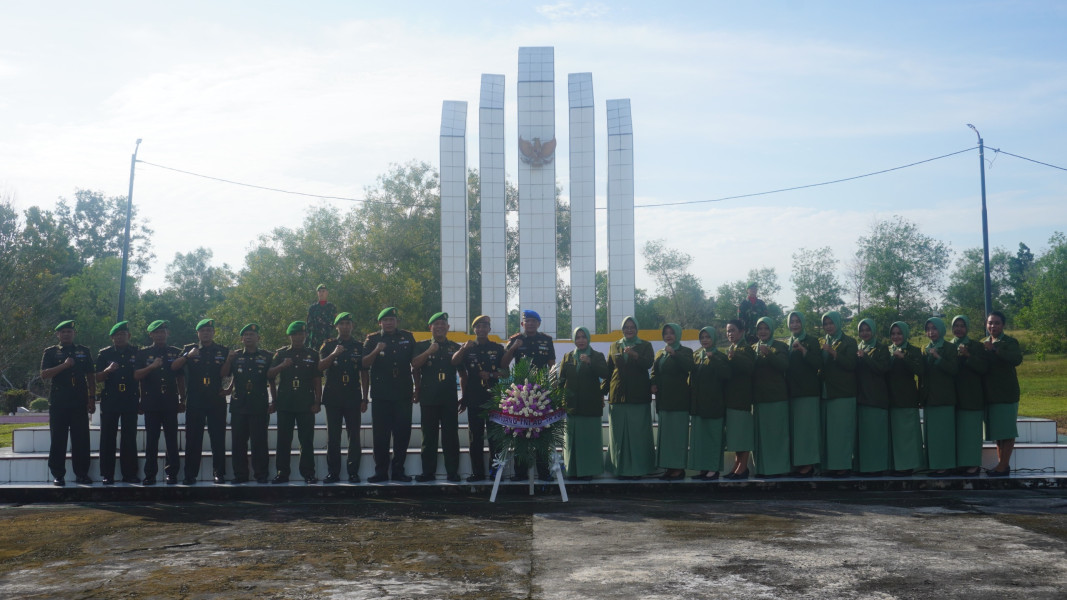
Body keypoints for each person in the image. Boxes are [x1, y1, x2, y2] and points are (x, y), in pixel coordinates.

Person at [363, 307, 417, 483]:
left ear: (397, 322)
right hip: (381, 394)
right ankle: (381, 472)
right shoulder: (372, 339)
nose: (388, 323)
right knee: (380, 436)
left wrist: (418, 388)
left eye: (391, 319)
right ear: (380, 323)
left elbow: (415, 363)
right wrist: (376, 350)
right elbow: (364, 364)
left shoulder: (407, 337)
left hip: (403, 392)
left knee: (402, 434)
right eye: (385, 320)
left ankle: (398, 471)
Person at [172, 319, 229, 485]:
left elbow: (227, 374)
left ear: (214, 333)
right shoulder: (189, 349)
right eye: (203, 330)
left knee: (218, 438)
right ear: (198, 333)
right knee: (193, 439)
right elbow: (175, 368)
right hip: (195, 399)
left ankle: (219, 473)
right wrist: (187, 356)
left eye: (209, 330)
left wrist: (229, 388)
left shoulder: (222, 350)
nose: (206, 333)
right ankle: (190, 474)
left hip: (216, 399)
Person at [502, 309, 556, 481]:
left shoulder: (546, 340)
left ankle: (544, 471)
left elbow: (552, 365)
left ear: (538, 324)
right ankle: (520, 472)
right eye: (527, 321)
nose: (530, 324)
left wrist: (553, 387)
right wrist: (513, 348)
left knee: (542, 432)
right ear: (522, 324)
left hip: (541, 392)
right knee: (520, 431)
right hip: (521, 394)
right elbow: (503, 364)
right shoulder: (515, 340)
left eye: (534, 321)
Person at [40, 320, 95, 486]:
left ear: (74, 333)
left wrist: (92, 398)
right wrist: (63, 366)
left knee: (81, 440)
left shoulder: (83, 351)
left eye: (69, 332)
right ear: (58, 334)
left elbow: (91, 376)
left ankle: (82, 474)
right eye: (63, 332)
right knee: (58, 439)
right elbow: (44, 374)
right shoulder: (50, 352)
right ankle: (58, 474)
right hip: (59, 402)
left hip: (79, 401)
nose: (66, 334)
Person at [411, 312, 464, 482]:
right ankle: (428, 472)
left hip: (448, 397)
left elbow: (463, 373)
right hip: (428, 397)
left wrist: (465, 395)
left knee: (451, 436)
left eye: (443, 324)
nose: (440, 327)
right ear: (430, 328)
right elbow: (415, 365)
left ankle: (452, 471)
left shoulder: (455, 347)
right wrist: (429, 351)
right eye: (436, 324)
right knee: (428, 436)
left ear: (448, 328)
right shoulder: (422, 346)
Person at [268, 321, 322, 484]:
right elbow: (269, 375)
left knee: (306, 440)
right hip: (286, 402)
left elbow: (317, 379)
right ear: (290, 336)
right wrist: (282, 366)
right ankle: (282, 473)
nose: (299, 337)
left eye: (302, 334)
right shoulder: (281, 354)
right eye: (296, 334)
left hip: (306, 402)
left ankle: (308, 473)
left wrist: (317, 401)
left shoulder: (312, 354)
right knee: (283, 439)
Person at [454, 315, 506, 481]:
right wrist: (463, 348)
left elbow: (506, 373)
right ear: (474, 329)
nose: (481, 329)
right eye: (478, 327)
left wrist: (490, 374)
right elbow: (455, 363)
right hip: (474, 397)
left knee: (494, 437)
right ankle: (477, 472)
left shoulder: (497, 348)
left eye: (485, 326)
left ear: (489, 329)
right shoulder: (468, 348)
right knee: (474, 437)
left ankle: (495, 473)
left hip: (493, 397)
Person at [318, 312, 369, 484]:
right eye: (342, 324)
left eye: (348, 323)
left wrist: (365, 397)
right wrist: (333, 354)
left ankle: (353, 472)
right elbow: (320, 367)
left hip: (353, 397)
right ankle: (333, 473)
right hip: (333, 397)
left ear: (352, 326)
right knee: (333, 437)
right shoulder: (328, 345)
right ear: (336, 326)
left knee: (353, 437)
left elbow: (364, 373)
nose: (345, 326)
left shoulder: (359, 346)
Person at [604, 316, 655, 479]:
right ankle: (619, 469)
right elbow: (608, 371)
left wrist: (634, 355)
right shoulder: (614, 345)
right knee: (618, 436)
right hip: (618, 397)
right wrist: (601, 392)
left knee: (638, 435)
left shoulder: (645, 345)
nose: (629, 329)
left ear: (637, 328)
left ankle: (639, 469)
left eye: (632, 327)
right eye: (626, 327)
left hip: (638, 396)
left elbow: (648, 364)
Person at [134, 320, 185, 485]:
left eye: (163, 332)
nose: (160, 335)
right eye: (156, 332)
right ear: (151, 335)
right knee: (152, 440)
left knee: (171, 439)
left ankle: (172, 473)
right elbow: (137, 376)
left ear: (167, 333)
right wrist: (152, 367)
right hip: (151, 402)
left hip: (170, 400)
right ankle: (150, 474)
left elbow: (180, 378)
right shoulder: (143, 354)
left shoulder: (175, 352)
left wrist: (182, 399)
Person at [222, 323, 274, 484]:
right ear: (241, 339)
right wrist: (228, 360)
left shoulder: (267, 356)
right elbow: (224, 374)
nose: (249, 337)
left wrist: (274, 401)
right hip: (239, 405)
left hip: (259, 404)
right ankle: (241, 475)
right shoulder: (235, 356)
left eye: (252, 335)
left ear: (258, 338)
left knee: (259, 441)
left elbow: (272, 380)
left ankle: (261, 474)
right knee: (238, 442)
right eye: (246, 335)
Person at [557, 326, 609, 480]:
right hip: (572, 405)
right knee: (572, 441)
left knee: (589, 440)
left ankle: (588, 471)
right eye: (577, 337)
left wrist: (590, 362)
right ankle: (572, 471)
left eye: (583, 337)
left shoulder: (597, 356)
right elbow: (561, 381)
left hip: (590, 405)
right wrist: (559, 399)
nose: (580, 340)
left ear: (588, 338)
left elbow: (605, 374)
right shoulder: (568, 357)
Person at [95, 321, 140, 484]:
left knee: (129, 437)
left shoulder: (136, 352)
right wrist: (107, 370)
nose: (120, 337)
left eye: (123, 334)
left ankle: (130, 473)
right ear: (112, 338)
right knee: (108, 438)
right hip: (111, 399)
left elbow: (141, 376)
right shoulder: (105, 354)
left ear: (128, 336)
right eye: (116, 335)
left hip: (130, 398)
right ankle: (107, 474)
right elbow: (97, 377)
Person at [651, 323, 694, 480]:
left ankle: (678, 469)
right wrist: (653, 383)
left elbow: (690, 367)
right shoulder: (660, 353)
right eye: (666, 333)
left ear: (678, 335)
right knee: (667, 437)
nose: (668, 336)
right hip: (664, 400)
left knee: (677, 436)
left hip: (679, 401)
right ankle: (669, 467)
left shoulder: (685, 351)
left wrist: (675, 354)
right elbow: (654, 372)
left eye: (672, 333)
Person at [982, 310, 1022, 477]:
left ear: (1003, 325)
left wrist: (995, 350)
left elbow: (1016, 359)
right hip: (990, 394)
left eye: (997, 323)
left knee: (1007, 431)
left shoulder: (1009, 342)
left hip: (1006, 394)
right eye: (990, 323)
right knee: (999, 432)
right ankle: (1002, 465)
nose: (993, 326)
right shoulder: (984, 343)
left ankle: (1003, 465)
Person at [688, 326, 730, 480]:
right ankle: (703, 469)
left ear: (714, 339)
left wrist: (713, 359)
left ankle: (713, 469)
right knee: (701, 439)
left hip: (714, 404)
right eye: (702, 337)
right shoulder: (697, 356)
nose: (705, 340)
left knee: (713, 438)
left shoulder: (720, 355)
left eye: (708, 337)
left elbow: (726, 375)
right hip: (698, 405)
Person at [751, 317, 791, 478]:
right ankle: (762, 470)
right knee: (761, 438)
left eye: (766, 328)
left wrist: (769, 354)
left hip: (776, 398)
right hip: (759, 399)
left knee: (777, 436)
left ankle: (779, 469)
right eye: (760, 328)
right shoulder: (752, 348)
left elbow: (784, 366)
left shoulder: (780, 346)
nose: (763, 331)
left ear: (771, 329)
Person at [820, 310, 857, 477]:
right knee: (828, 433)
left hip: (843, 393)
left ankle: (842, 466)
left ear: (838, 323)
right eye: (825, 324)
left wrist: (834, 353)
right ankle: (829, 465)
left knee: (842, 432)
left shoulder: (849, 342)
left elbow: (851, 365)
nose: (829, 326)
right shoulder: (822, 342)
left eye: (831, 323)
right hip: (826, 393)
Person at [886, 321, 925, 476]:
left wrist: (904, 358)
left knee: (908, 434)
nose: (896, 336)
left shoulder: (914, 351)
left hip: (907, 398)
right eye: (893, 334)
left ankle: (908, 465)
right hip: (889, 397)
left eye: (899, 333)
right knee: (894, 434)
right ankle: (895, 465)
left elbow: (920, 370)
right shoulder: (887, 350)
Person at [785, 311, 822, 477]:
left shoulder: (812, 341)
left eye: (797, 321)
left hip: (808, 392)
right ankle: (798, 463)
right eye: (792, 322)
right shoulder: (788, 341)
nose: (794, 324)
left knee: (807, 430)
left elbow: (818, 363)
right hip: (793, 392)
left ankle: (808, 464)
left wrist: (803, 350)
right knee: (797, 431)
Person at [951, 315, 988, 477]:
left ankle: (973, 464)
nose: (958, 329)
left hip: (971, 395)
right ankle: (959, 463)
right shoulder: (947, 346)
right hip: (952, 395)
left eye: (962, 326)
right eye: (955, 326)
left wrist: (968, 356)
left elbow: (983, 368)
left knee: (971, 432)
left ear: (967, 328)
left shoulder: (976, 346)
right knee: (957, 433)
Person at [855, 318, 891, 476]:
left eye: (867, 329)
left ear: (873, 331)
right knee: (864, 436)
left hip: (876, 396)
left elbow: (883, 369)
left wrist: (866, 357)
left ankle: (878, 467)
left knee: (877, 434)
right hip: (861, 396)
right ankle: (864, 467)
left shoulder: (881, 348)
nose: (864, 333)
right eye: (862, 330)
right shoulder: (858, 348)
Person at [723, 319, 755, 479]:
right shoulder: (732, 347)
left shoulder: (745, 348)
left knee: (742, 434)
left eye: (733, 330)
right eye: (728, 331)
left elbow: (749, 367)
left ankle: (743, 467)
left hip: (741, 397)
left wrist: (733, 357)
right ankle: (737, 465)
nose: (730, 333)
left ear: (742, 331)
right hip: (731, 397)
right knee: (736, 434)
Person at [306, 284, 337, 351]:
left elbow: (336, 324)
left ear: (327, 293)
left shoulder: (332, 307)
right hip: (315, 340)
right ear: (317, 293)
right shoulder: (312, 308)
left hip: (328, 339)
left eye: (323, 291)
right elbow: (308, 326)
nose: (321, 293)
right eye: (319, 291)